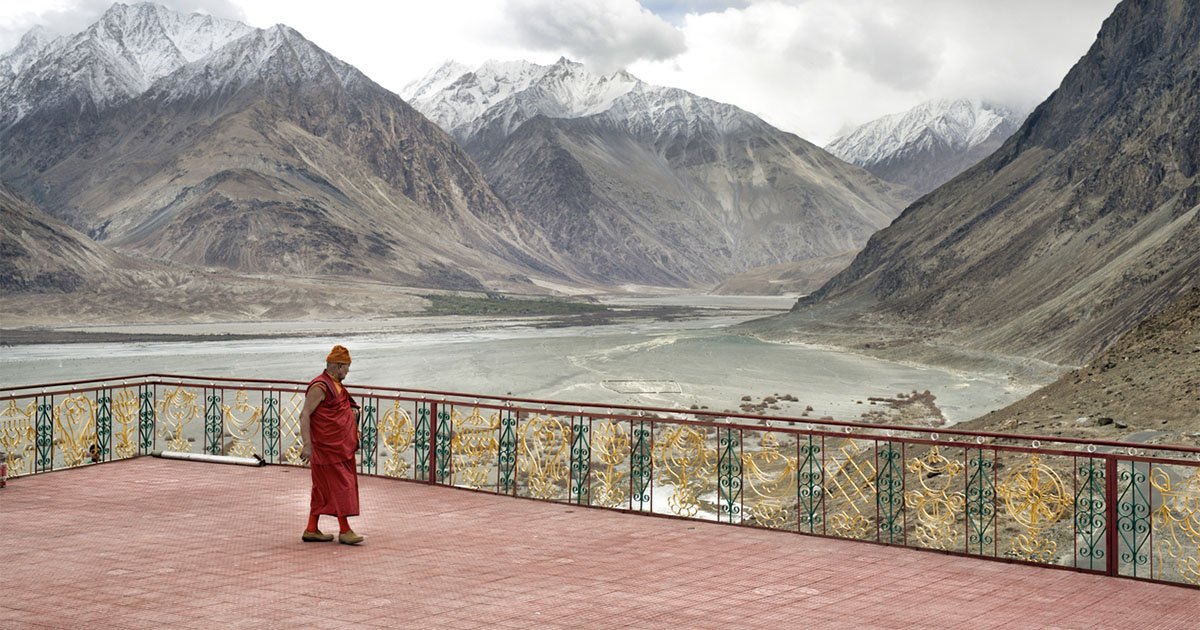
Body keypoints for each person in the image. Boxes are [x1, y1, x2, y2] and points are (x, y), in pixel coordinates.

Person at [300, 344, 364, 545]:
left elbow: (343, 409)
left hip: (338, 447)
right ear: (337, 366)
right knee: (341, 486)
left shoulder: (336, 386)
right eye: (346, 368)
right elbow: (304, 415)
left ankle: (311, 529)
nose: (347, 372)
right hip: (327, 448)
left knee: (322, 489)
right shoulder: (320, 387)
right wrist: (307, 445)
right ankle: (345, 531)